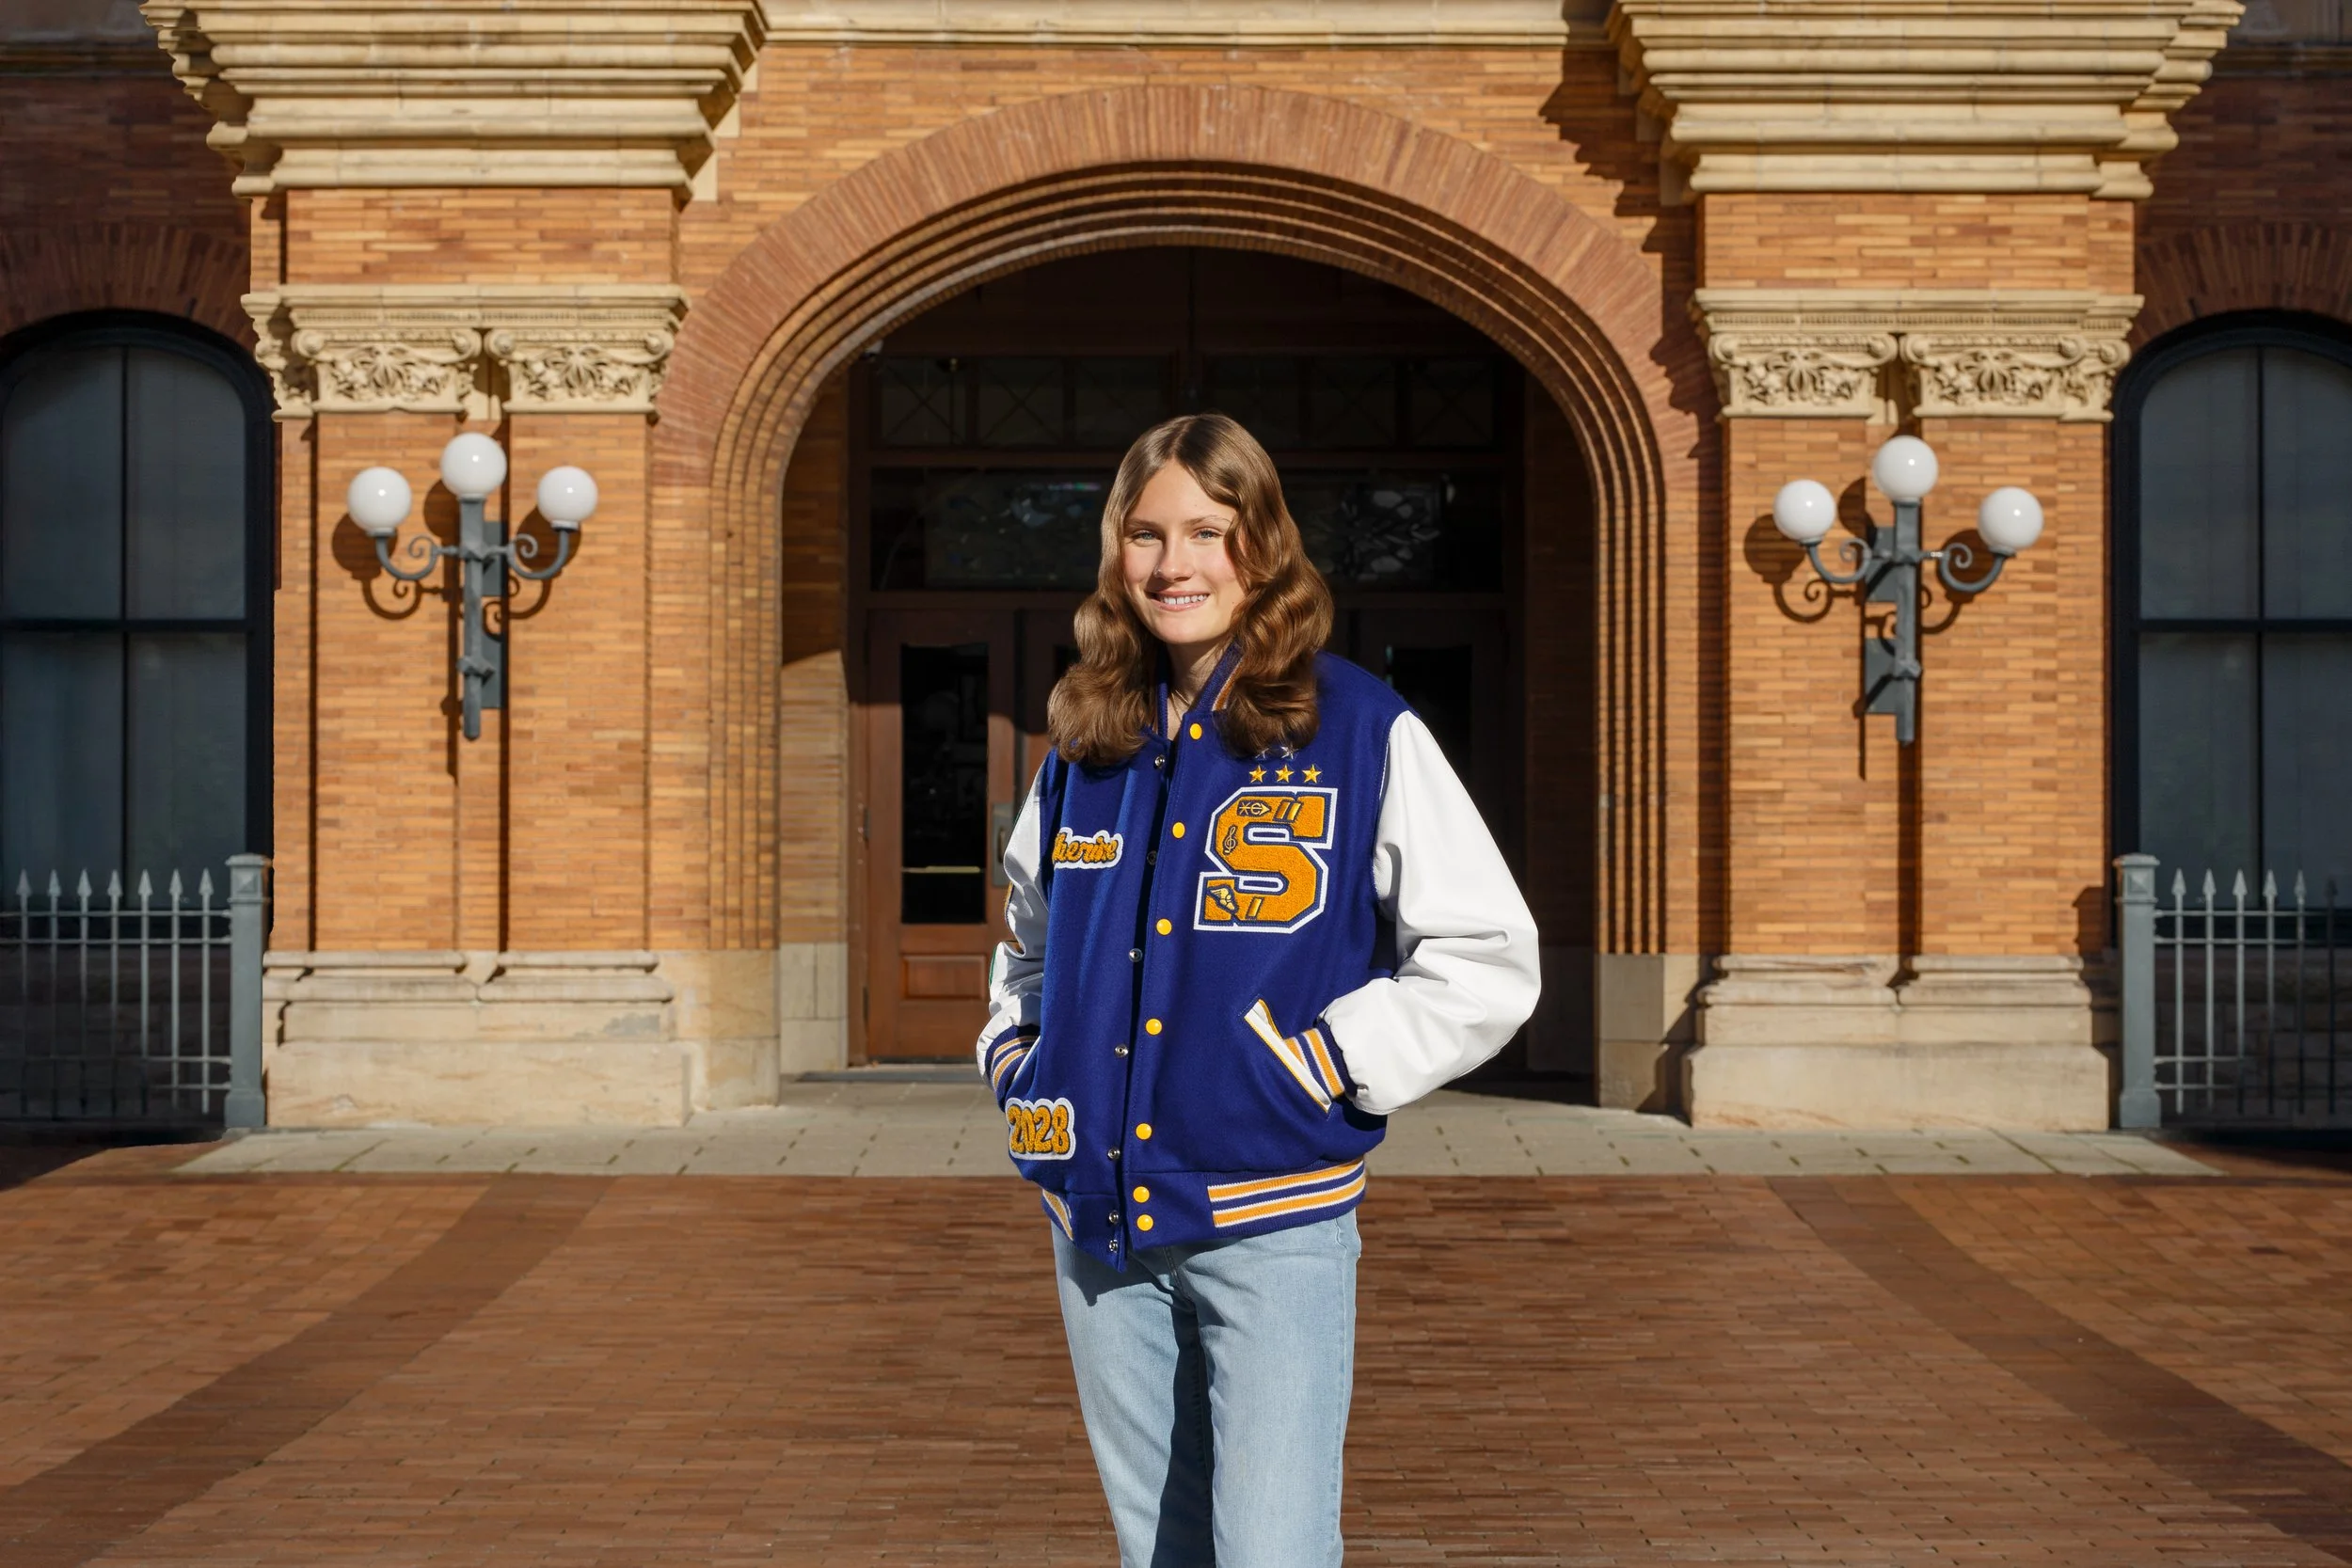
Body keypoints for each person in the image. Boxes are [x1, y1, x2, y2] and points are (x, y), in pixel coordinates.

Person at [977, 412, 1540, 1568]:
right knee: (1158, 1551)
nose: (1171, 564)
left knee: (1272, 1548)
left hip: (1272, 1217)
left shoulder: (1356, 725)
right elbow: (1027, 945)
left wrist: (1325, 1065)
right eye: (1144, 534)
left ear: (1260, 546)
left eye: (1205, 531)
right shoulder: (1084, 740)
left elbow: (1486, 951)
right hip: (1094, 1223)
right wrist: (1020, 1064)